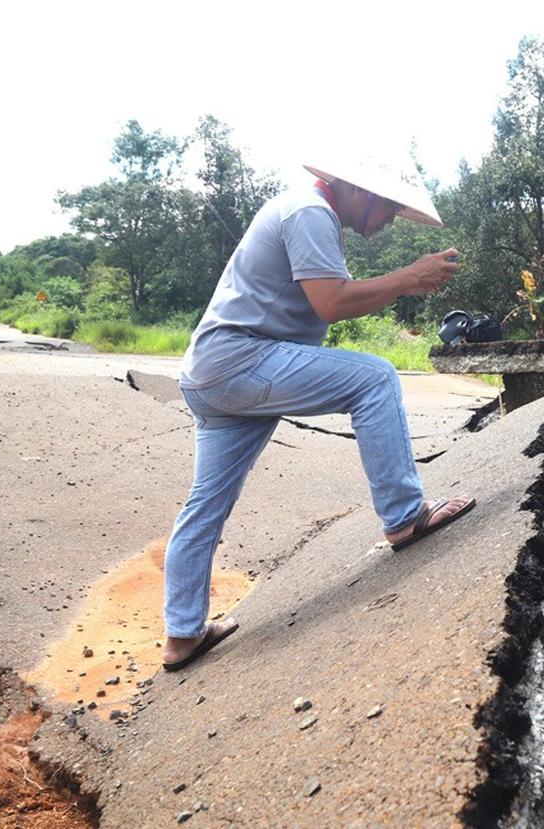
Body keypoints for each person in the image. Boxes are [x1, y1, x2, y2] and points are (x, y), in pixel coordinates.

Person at [160, 152, 476, 671]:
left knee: (206, 503)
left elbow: (326, 301)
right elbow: (331, 303)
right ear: (360, 190)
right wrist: (407, 277)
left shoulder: (305, 211)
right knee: (375, 378)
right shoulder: (309, 211)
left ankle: (183, 633)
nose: (392, 219)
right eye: (390, 208)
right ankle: (404, 516)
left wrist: (405, 281)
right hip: (242, 361)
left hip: (212, 373)